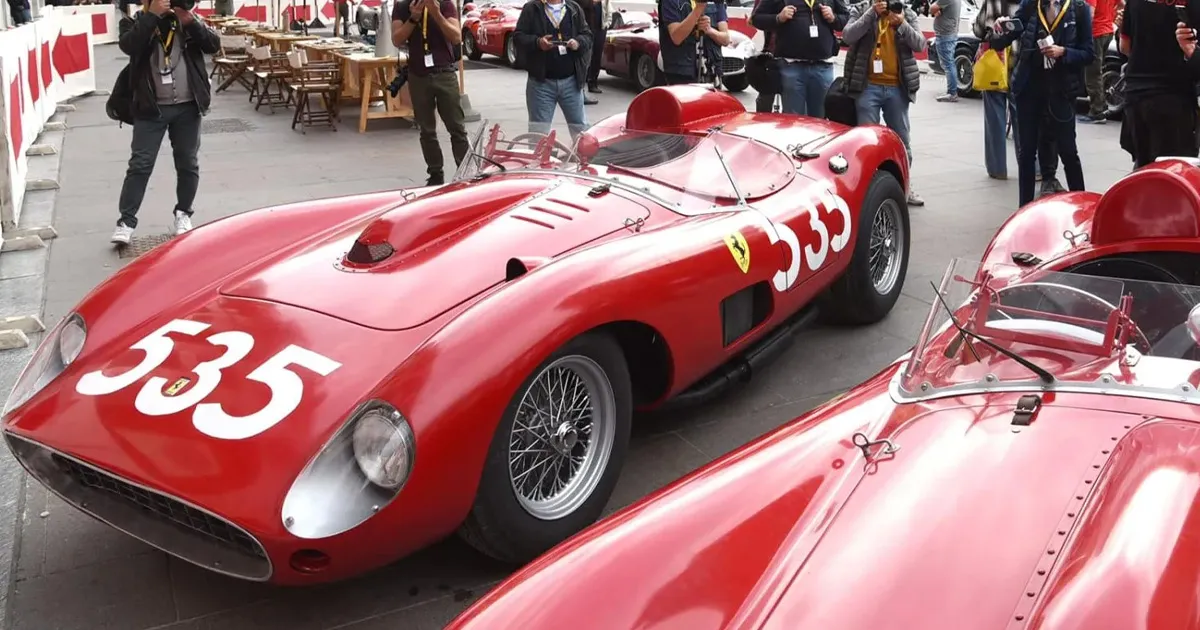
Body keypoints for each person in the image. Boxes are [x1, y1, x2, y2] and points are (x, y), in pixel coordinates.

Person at [111, 0, 220, 246]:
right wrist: (152, 16)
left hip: (187, 106)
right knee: (140, 164)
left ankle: (183, 213)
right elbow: (129, 46)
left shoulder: (187, 20)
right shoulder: (134, 22)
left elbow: (213, 45)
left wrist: (190, 21)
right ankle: (126, 222)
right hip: (150, 108)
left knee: (188, 162)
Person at [990, 0, 1093, 207]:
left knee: (1068, 152)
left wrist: (1063, 52)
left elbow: (1089, 53)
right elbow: (1003, 40)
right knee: (1026, 153)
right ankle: (1024, 209)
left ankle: (1083, 209)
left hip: (1061, 91)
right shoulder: (1030, 5)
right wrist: (1000, 29)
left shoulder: (1079, 9)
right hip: (1030, 90)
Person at [842, 0, 927, 206]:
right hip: (867, 86)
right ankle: (867, 187)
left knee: (901, 140)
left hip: (897, 88)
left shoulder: (905, 12)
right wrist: (871, 14)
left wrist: (902, 25)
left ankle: (905, 186)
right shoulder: (862, 9)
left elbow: (920, 44)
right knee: (867, 143)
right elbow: (848, 36)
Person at [392, 0, 470, 186]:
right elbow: (397, 39)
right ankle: (435, 174)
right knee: (426, 130)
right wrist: (413, 18)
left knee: (457, 127)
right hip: (418, 74)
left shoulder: (444, 4)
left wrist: (436, 13)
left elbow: (456, 36)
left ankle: (466, 173)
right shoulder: (402, 6)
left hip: (444, 72)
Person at [1120, 0, 1200, 167]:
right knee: (1174, 175)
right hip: (1173, 97)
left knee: (1143, 168)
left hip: (1136, 95)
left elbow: (1125, 46)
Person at [751, 0, 848, 116]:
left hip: (823, 66)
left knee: (820, 121)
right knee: (794, 122)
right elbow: (756, 19)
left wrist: (834, 18)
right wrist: (778, 18)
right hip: (791, 67)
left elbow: (847, 19)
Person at [513, 0, 593, 138]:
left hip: (571, 82)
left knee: (581, 132)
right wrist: (537, 43)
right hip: (541, 84)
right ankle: (538, 160)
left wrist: (578, 42)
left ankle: (583, 159)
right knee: (538, 135)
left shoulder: (573, 8)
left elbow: (587, 35)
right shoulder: (532, 8)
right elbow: (518, 37)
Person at [658, 0, 731, 85]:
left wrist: (709, 30)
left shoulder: (717, 2)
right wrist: (699, 9)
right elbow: (676, 37)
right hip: (681, 73)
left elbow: (726, 40)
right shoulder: (671, 1)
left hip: (711, 72)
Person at [749, 0, 780, 112]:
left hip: (793, 52)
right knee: (766, 93)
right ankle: (761, 121)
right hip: (771, 51)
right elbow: (753, 20)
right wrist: (777, 18)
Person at [930, 0, 961, 102]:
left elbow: (932, 8)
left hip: (945, 34)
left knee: (948, 64)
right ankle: (952, 92)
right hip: (950, 33)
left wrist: (935, 10)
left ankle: (952, 93)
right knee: (949, 63)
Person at [582, 0, 611, 102]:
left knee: (597, 55)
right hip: (587, 28)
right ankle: (581, 88)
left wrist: (607, 23)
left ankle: (593, 82)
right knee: (585, 57)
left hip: (600, 27)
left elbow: (608, 8)